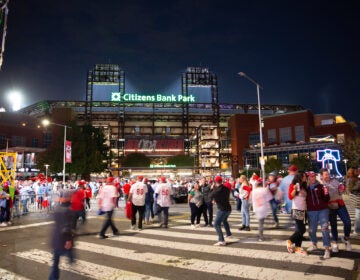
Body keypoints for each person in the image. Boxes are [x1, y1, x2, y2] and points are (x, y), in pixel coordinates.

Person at [321, 168, 352, 252]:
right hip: (330, 206)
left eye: (328, 174)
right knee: (333, 225)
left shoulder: (335, 181)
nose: (327, 176)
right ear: (321, 176)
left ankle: (346, 238)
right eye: (325, 174)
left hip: (340, 204)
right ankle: (335, 242)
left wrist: (342, 189)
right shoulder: (321, 185)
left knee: (347, 222)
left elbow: (341, 190)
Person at [49, 190, 75, 280]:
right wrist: (68, 240)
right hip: (63, 239)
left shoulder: (57, 208)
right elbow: (66, 227)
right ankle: (71, 260)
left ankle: (52, 278)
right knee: (69, 252)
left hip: (55, 238)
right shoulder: (68, 210)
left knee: (55, 263)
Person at [305, 171, 331, 259]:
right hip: (311, 211)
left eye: (314, 176)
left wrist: (327, 192)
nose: (312, 178)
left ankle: (327, 249)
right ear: (308, 178)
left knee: (325, 228)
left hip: (323, 210)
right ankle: (314, 244)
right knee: (312, 230)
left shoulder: (321, 186)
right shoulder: (305, 188)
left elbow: (327, 199)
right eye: (311, 177)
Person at [286, 171, 308, 255]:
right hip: (296, 210)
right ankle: (290, 241)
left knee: (300, 230)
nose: (305, 178)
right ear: (300, 177)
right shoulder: (293, 185)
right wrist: (294, 189)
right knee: (302, 229)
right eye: (304, 176)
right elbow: (290, 196)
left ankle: (298, 247)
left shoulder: (304, 186)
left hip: (304, 210)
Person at [211, 176, 232, 246]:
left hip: (222, 209)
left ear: (216, 182)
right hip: (228, 208)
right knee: (224, 220)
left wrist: (212, 188)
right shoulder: (226, 188)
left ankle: (221, 240)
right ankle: (228, 234)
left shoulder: (217, 190)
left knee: (216, 224)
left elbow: (211, 195)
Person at [251, 176, 271, 241]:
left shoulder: (254, 191)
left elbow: (252, 200)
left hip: (257, 208)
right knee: (261, 223)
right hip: (263, 208)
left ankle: (259, 234)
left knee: (260, 222)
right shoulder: (264, 190)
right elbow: (269, 199)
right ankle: (260, 236)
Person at [347, 167, 360, 235]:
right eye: (357, 171)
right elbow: (351, 189)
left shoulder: (358, 179)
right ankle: (356, 230)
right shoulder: (350, 179)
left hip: (357, 198)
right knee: (358, 215)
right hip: (356, 199)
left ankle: (357, 229)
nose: (359, 171)